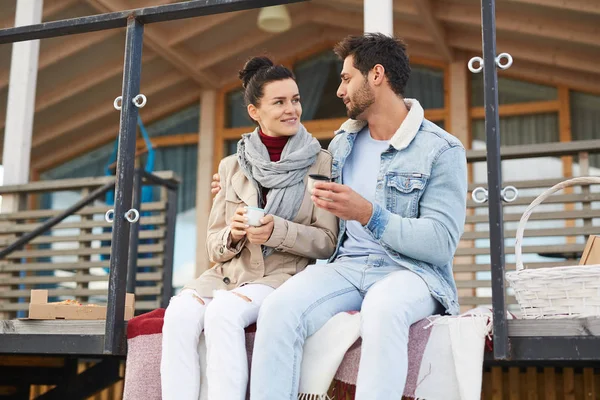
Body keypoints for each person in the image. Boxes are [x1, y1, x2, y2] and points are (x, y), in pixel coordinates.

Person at [212, 33, 468, 399]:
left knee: (382, 308)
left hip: (410, 272)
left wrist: (368, 214)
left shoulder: (441, 149)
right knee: (280, 308)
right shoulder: (343, 143)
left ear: (376, 75)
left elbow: (441, 244)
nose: (339, 90)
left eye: (347, 78)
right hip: (345, 267)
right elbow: (294, 179)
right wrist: (231, 183)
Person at [160, 56, 338, 400]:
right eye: (280, 102)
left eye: (296, 99)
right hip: (227, 274)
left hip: (280, 277)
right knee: (179, 312)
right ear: (255, 111)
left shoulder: (322, 163)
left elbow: (327, 242)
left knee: (223, 313)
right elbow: (214, 245)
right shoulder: (231, 166)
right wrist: (234, 232)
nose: (292, 110)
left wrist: (277, 231)